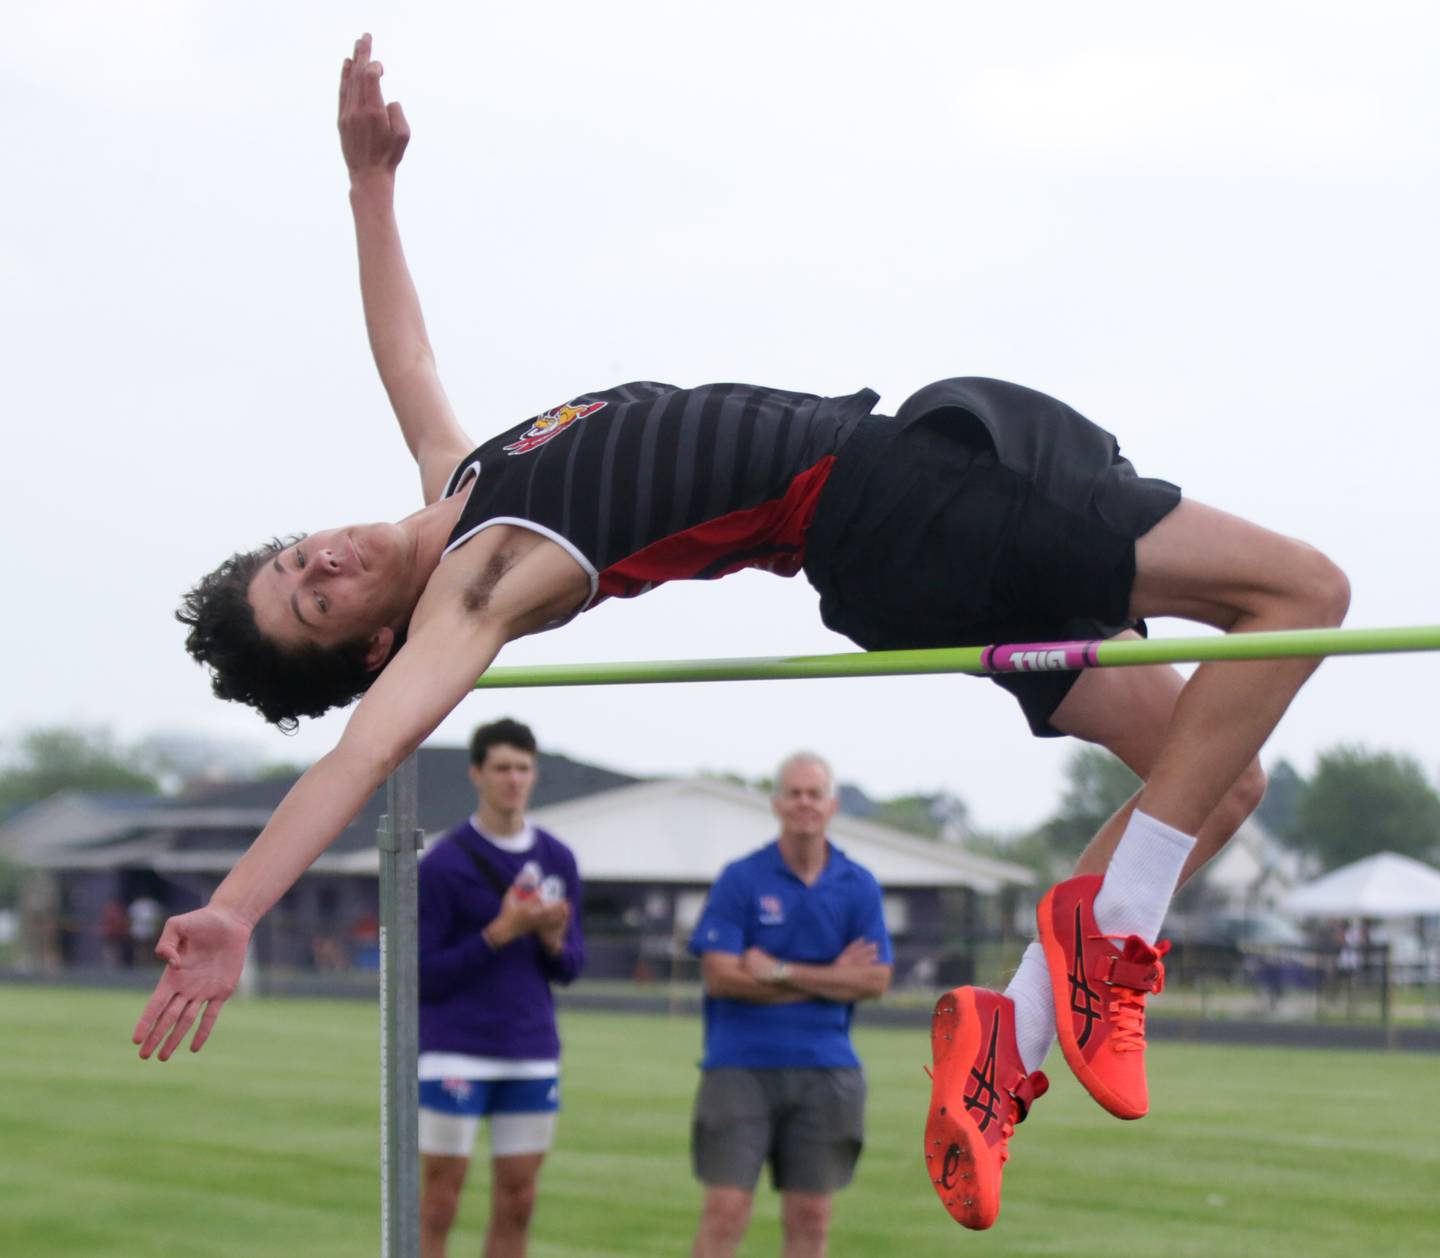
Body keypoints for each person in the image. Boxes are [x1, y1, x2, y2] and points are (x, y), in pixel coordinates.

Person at [134, 33, 1349, 1233]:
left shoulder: (469, 480)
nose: (326, 562)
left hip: (888, 551)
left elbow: (403, 348)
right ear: (362, 648)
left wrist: (370, 185)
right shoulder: (478, 585)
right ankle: (1113, 930)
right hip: (893, 504)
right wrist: (236, 909)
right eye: (316, 600)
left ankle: (1009, 1040)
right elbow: (362, 754)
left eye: (300, 557)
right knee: (1298, 594)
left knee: (1218, 776)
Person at [687, 752, 892, 1258]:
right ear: (777, 803)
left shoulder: (857, 884)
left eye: (814, 793)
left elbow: (875, 980)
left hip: (827, 1071)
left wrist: (780, 971)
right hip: (739, 1067)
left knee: (811, 1218)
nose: (804, 803)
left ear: (832, 804)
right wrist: (832, 976)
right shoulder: (741, 877)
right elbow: (721, 977)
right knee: (726, 1211)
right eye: (794, 793)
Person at [417, 718, 583, 1258]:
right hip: (455, 1048)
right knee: (439, 1200)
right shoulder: (443, 863)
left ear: (535, 776)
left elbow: (570, 968)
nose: (513, 779)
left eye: (523, 768)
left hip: (530, 1049)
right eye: (501, 768)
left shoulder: (558, 859)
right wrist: (499, 933)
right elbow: (424, 976)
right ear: (477, 774)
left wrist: (555, 941)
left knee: (519, 1200)